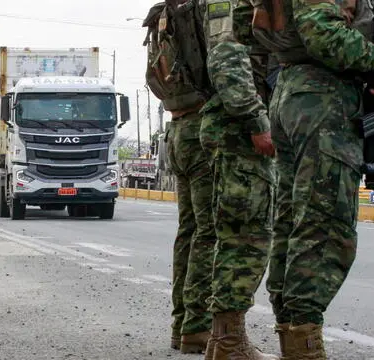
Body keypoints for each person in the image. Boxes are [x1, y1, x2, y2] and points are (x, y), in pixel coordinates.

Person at [249, 0, 374, 357]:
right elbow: (323, 34)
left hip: (296, 93)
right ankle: (303, 343)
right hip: (322, 102)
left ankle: (294, 336)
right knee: (325, 224)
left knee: (294, 222)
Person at [194, 0, 279, 358]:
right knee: (247, 238)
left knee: (237, 235)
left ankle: (224, 340)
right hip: (239, 132)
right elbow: (225, 57)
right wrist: (256, 121)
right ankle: (229, 342)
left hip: (236, 128)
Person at [141, 2, 218, 353]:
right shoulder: (200, 11)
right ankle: (197, 326)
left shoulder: (164, 15)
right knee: (209, 231)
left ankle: (182, 325)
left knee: (189, 231)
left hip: (178, 128)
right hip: (203, 128)